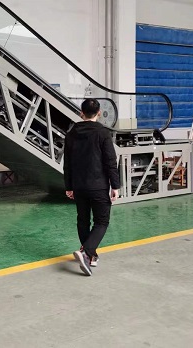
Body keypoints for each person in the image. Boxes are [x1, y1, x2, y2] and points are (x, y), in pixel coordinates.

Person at [63, 98, 120, 276]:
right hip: (98, 185)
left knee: (83, 220)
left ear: (81, 113)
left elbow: (67, 163)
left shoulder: (71, 134)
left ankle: (91, 256)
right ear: (99, 113)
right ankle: (86, 251)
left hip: (79, 185)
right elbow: (110, 161)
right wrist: (115, 185)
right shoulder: (103, 133)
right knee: (102, 221)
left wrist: (69, 186)